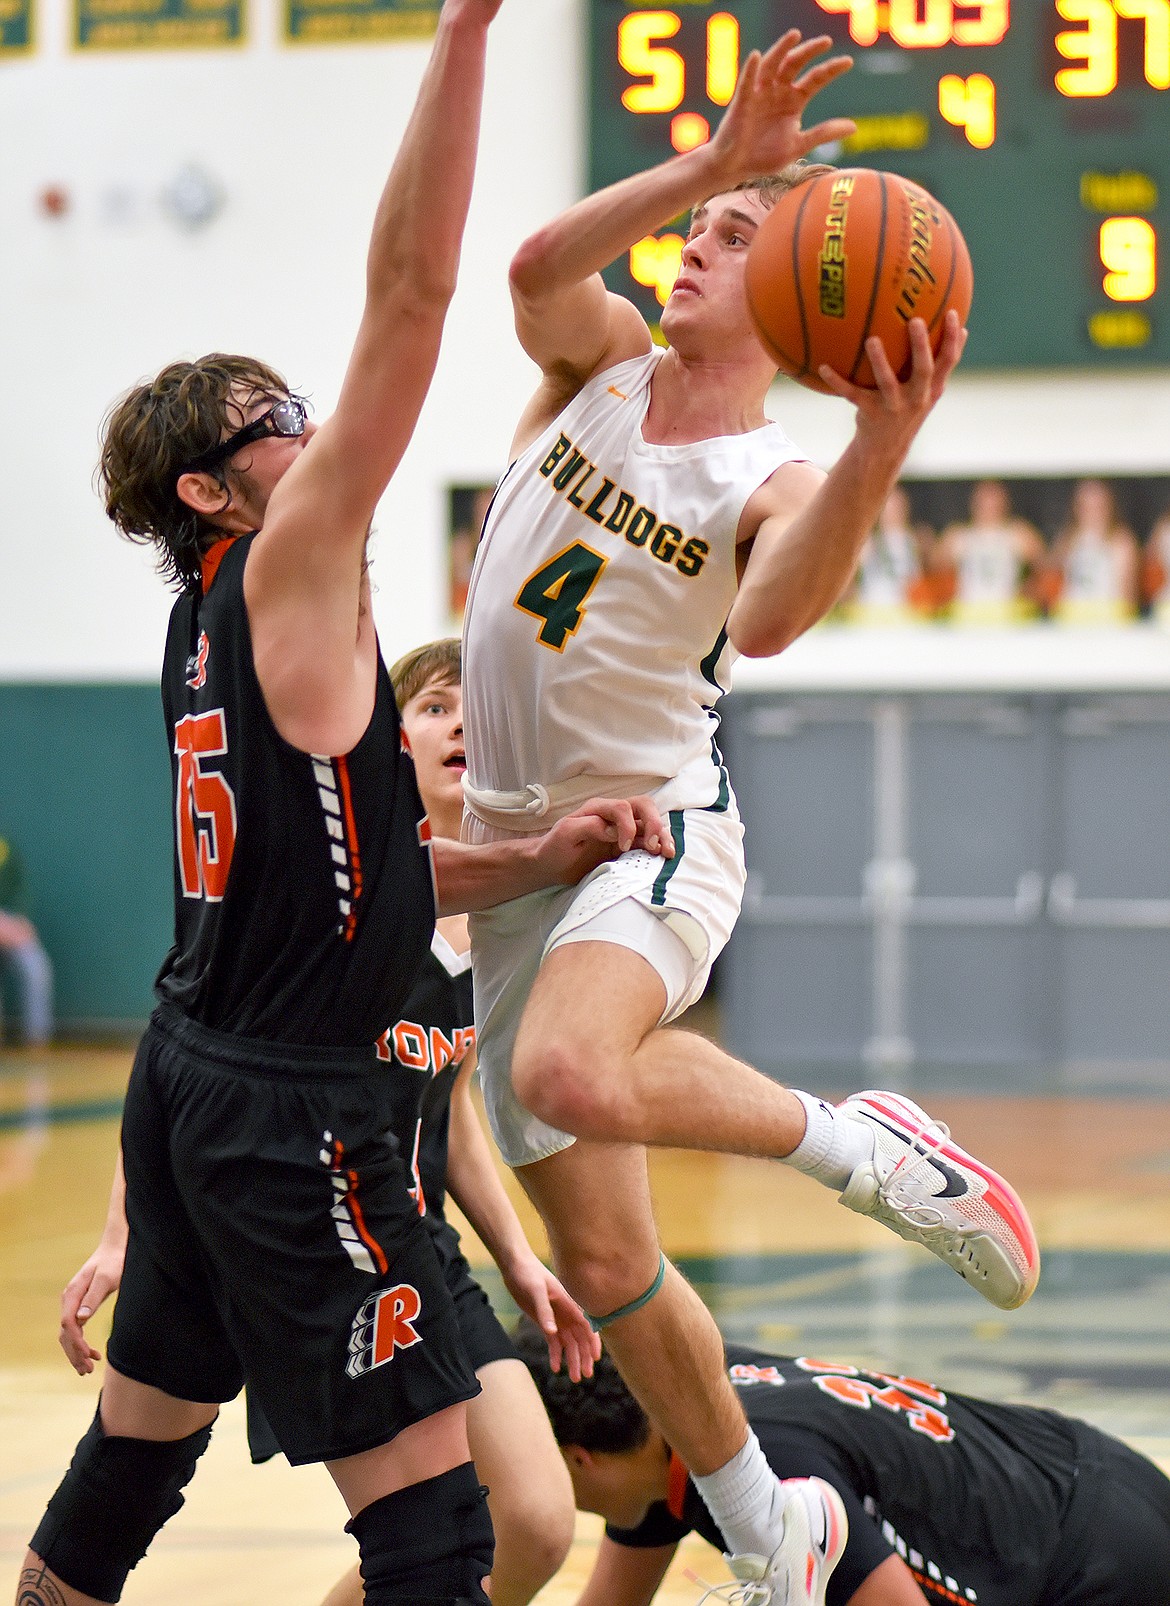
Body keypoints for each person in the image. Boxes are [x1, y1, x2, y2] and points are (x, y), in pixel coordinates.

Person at [18, 7, 672, 1604]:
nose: (314, 435)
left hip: (194, 1075)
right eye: (274, 426)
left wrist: (536, 850)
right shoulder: (290, 570)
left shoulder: (211, 630)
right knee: (445, 1532)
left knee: (135, 1454)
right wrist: (462, 34)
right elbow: (415, 290)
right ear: (210, 488)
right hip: (291, 1109)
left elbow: (355, 873)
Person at [459, 27, 1040, 1604]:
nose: (700, 241)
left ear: (792, 305)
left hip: (653, 829)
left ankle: (860, 1143)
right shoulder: (598, 363)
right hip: (509, 857)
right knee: (604, 1265)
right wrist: (712, 162)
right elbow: (525, 265)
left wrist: (883, 446)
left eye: (734, 237)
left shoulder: (769, 468)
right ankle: (766, 1527)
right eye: (698, 227)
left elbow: (775, 613)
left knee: (569, 1065)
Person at [61, 637, 580, 1606]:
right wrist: (119, 1233)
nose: (461, 721)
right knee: (414, 1526)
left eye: (478, 707)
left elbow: (450, 1104)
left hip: (419, 1240)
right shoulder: (337, 896)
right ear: (387, 744)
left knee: (538, 1521)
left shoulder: (509, 923)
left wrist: (518, 1255)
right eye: (432, 706)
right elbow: (194, 1048)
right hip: (302, 1221)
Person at [516, 1324, 1170, 1606]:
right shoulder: (669, 1412)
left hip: (1096, 1567)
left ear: (579, 1459)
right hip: (1081, 1472)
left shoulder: (769, 1473)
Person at [931, 479, 1046, 625]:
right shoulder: (959, 535)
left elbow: (1045, 567)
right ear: (974, 502)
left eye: (994, 498)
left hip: (1007, 613)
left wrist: (1028, 588)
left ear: (1004, 501)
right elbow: (932, 568)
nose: (989, 504)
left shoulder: (1018, 533)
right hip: (968, 613)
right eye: (984, 498)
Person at [1047, 477, 1139, 625]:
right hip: (1072, 616)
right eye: (1086, 506)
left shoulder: (1121, 541)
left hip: (1108, 617)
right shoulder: (1068, 539)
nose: (1092, 512)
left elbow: (1127, 596)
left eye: (1098, 506)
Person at [844, 486, 934, 625]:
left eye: (897, 505)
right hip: (874, 612)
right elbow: (849, 579)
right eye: (888, 505)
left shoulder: (916, 540)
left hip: (907, 614)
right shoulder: (869, 542)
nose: (892, 511)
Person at [0, 831, 54, 1050]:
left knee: (36, 965)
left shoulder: (5, 847)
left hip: (9, 924)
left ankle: (37, 1040)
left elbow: (19, 893)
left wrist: (19, 920)